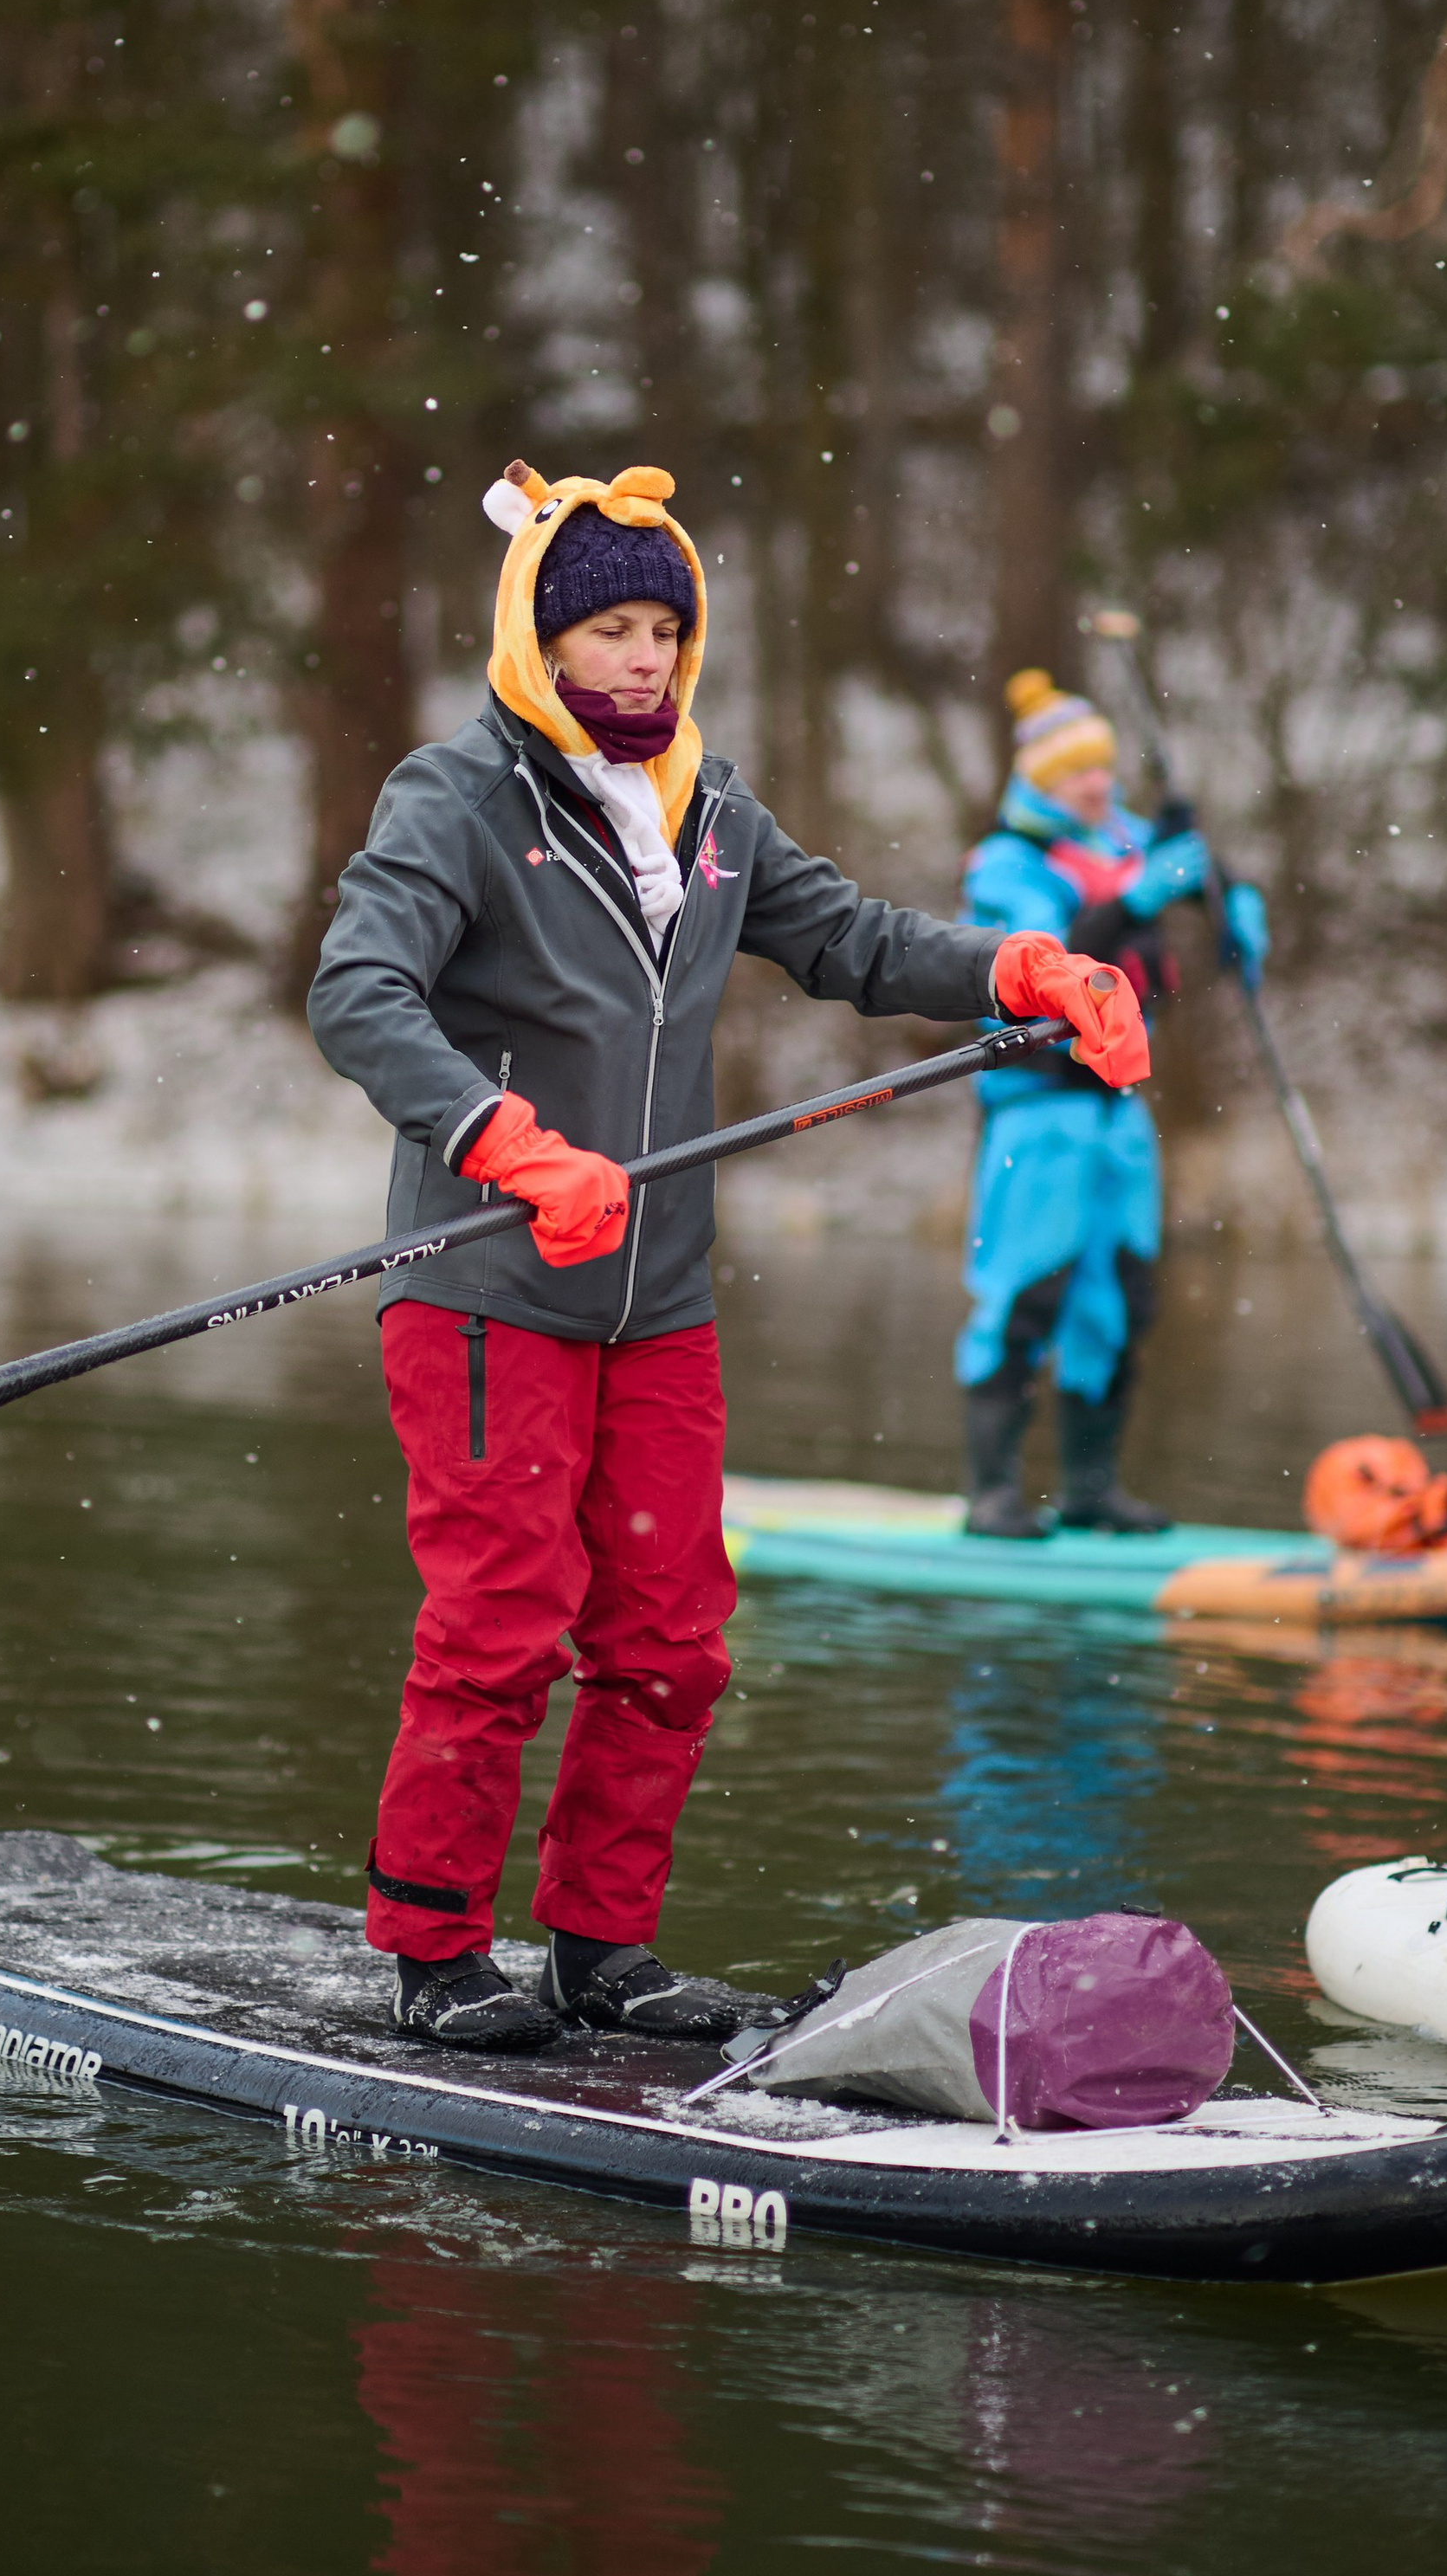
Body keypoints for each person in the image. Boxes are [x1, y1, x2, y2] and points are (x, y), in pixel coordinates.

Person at [308, 468, 1148, 2053]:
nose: (640, 658)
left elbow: (860, 941)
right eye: (608, 628)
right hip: (487, 1282)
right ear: (538, 640)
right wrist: (502, 1138)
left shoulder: (708, 804)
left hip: (657, 1301)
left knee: (674, 1639)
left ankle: (599, 1950)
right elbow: (359, 992)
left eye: (664, 629)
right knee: (499, 1627)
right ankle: (433, 1949)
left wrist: (1021, 965)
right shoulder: (457, 796)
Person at [954, 668, 1268, 1541]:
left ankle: (1089, 1490)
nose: (1094, 784)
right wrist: (1135, 897)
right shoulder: (1008, 860)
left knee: (1117, 1298)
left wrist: (1232, 900)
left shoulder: (1131, 838)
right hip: (1034, 1112)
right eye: (1074, 774)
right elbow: (1043, 960)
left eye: (1100, 769)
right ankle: (992, 1493)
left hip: (1118, 1114)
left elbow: (1200, 884)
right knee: (1025, 1293)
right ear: (1040, 781)